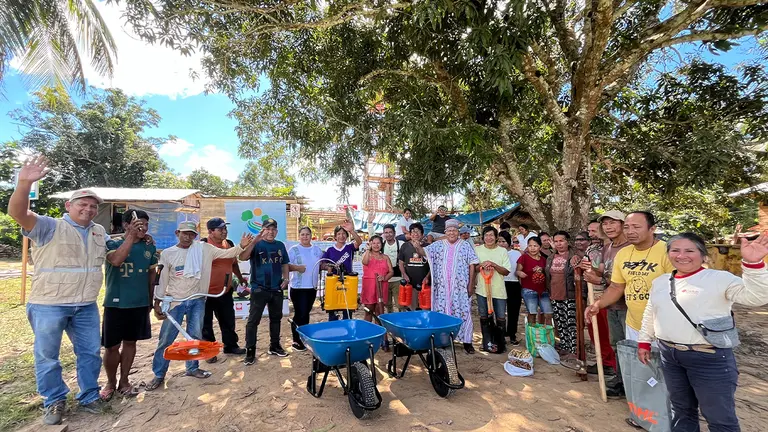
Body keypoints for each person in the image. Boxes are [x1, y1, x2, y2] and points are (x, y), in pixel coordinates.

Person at [7, 156, 111, 424]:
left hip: (86, 305)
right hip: (49, 304)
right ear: (69, 205)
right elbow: (18, 213)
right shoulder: (48, 226)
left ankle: (89, 396)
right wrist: (24, 183)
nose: (88, 209)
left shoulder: (99, 232)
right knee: (48, 356)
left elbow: (113, 255)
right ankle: (54, 401)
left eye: (92, 206)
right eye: (82, 204)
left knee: (89, 353)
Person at [638, 232, 768, 432]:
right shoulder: (661, 281)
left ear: (703, 255)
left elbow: (756, 298)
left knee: (719, 418)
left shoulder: (719, 278)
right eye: (675, 250)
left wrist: (753, 264)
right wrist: (644, 341)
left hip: (709, 357)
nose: (682, 256)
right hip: (669, 356)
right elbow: (651, 311)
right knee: (681, 411)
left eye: (689, 250)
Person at [585, 211, 674, 410]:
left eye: (636, 227)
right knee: (636, 361)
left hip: (663, 325)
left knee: (663, 368)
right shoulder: (623, 254)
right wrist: (597, 304)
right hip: (634, 322)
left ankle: (664, 409)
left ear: (652, 229)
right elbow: (617, 287)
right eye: (628, 227)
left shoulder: (668, 251)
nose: (630, 231)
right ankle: (642, 408)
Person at [148, 222, 252, 391]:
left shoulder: (204, 249)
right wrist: (157, 301)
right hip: (175, 301)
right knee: (166, 339)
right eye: (185, 233)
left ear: (195, 235)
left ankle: (192, 368)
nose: (188, 237)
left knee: (194, 337)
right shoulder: (168, 254)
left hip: (197, 300)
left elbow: (228, 253)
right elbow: (162, 280)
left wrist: (241, 246)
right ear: (177, 233)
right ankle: (159, 374)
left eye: (191, 234)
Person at [100, 210, 157, 401]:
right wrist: (131, 237)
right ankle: (110, 382)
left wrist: (151, 300)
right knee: (111, 346)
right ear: (126, 225)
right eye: (138, 223)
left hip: (139, 303)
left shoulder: (149, 248)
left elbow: (151, 276)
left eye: (145, 224)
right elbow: (116, 260)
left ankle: (124, 381)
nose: (143, 227)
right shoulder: (112, 243)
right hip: (115, 304)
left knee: (131, 343)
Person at [239, 218, 290, 363]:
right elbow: (242, 257)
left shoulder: (280, 245)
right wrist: (253, 242)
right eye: (267, 229)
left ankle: (274, 346)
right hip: (259, 289)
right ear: (262, 230)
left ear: (277, 231)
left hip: (276, 289)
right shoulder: (256, 244)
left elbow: (285, 263)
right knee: (253, 321)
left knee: (276, 319)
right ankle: (250, 352)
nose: (271, 232)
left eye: (273, 229)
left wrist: (286, 279)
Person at [425, 219, 479, 354]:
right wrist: (415, 244)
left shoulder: (465, 245)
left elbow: (472, 264)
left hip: (460, 288)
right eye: (449, 230)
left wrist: (471, 284)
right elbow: (424, 253)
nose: (452, 233)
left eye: (454, 230)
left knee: (463, 312)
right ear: (445, 232)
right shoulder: (438, 245)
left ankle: (467, 341)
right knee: (442, 313)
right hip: (442, 289)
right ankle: (443, 341)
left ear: (458, 232)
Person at [201, 218, 247, 364]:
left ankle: (231, 345)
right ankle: (209, 351)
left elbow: (233, 264)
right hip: (206, 293)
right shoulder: (202, 245)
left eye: (225, 229)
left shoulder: (230, 244)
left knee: (228, 320)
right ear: (210, 231)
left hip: (225, 291)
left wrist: (240, 278)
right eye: (220, 229)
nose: (224, 232)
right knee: (206, 324)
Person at [577, 222, 617, 377]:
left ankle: (613, 365)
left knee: (609, 332)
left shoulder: (613, 248)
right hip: (592, 295)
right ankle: (603, 362)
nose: (592, 233)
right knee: (595, 329)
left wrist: (595, 273)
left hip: (608, 296)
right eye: (589, 230)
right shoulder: (592, 248)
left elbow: (609, 273)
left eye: (595, 229)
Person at [474, 226, 511, 353]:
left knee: (500, 317)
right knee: (484, 316)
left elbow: (506, 271)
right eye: (486, 235)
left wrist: (494, 265)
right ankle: (487, 342)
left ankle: (500, 342)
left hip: (498, 290)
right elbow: (473, 268)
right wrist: (481, 266)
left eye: (491, 235)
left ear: (496, 238)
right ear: (483, 237)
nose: (489, 238)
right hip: (482, 290)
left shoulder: (502, 251)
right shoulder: (477, 249)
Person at [545, 231, 581, 357]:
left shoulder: (574, 256)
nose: (559, 244)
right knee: (560, 323)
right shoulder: (551, 257)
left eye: (562, 241)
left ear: (567, 242)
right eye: (556, 241)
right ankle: (565, 347)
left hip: (569, 294)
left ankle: (574, 350)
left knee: (571, 324)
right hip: (555, 294)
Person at [287, 226, 323, 351]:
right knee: (300, 313)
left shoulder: (317, 250)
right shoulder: (293, 250)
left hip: (312, 287)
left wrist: (328, 266)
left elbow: (321, 264)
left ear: (311, 235)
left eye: (307, 234)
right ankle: (296, 341)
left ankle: (304, 338)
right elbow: (286, 266)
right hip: (298, 287)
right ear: (299, 236)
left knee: (306, 313)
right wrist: (297, 268)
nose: (305, 237)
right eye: (302, 234)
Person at [321, 220, 363, 320]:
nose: (341, 236)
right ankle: (333, 329)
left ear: (347, 236)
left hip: (348, 280)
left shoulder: (349, 247)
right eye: (339, 234)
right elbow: (322, 264)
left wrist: (352, 230)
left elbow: (359, 242)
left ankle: (347, 329)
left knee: (347, 309)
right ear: (335, 236)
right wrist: (328, 267)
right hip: (333, 281)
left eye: (344, 233)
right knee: (333, 308)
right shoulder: (329, 249)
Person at [516, 237, 551, 325]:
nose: (532, 248)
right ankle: (532, 335)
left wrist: (542, 270)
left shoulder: (543, 259)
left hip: (543, 290)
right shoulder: (523, 257)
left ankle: (544, 332)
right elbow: (517, 271)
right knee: (532, 313)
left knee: (548, 313)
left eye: (535, 246)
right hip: (528, 290)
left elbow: (548, 272)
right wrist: (520, 273)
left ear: (540, 247)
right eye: (530, 246)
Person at [398, 222, 430, 310]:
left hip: (425, 284)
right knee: (412, 307)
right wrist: (404, 274)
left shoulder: (428, 247)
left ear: (422, 234)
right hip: (410, 283)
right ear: (410, 234)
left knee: (425, 308)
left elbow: (432, 265)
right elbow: (401, 262)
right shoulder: (405, 246)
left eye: (418, 232)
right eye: (413, 232)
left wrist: (427, 277)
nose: (415, 234)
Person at [361, 235, 394, 323]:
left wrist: (384, 278)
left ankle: (379, 332)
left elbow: (391, 272)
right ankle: (367, 332)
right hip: (369, 286)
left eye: (378, 243)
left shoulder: (385, 257)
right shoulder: (367, 254)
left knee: (379, 310)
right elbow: (365, 262)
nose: (376, 245)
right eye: (374, 243)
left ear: (381, 244)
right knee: (369, 309)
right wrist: (368, 249)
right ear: (370, 244)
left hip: (382, 285)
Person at [498, 231, 522, 345]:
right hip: (499, 284)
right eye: (499, 241)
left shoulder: (517, 254)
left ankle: (512, 334)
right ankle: (500, 334)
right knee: (499, 311)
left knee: (513, 311)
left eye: (504, 241)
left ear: (509, 242)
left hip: (513, 284)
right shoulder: (494, 253)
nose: (501, 244)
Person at [380, 224, 404, 312]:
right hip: (385, 280)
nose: (388, 234)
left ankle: (401, 322)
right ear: (383, 234)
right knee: (387, 304)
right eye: (386, 232)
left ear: (394, 233)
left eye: (390, 232)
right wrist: (370, 224)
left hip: (398, 279)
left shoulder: (401, 244)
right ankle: (390, 323)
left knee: (400, 305)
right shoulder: (381, 245)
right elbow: (372, 239)